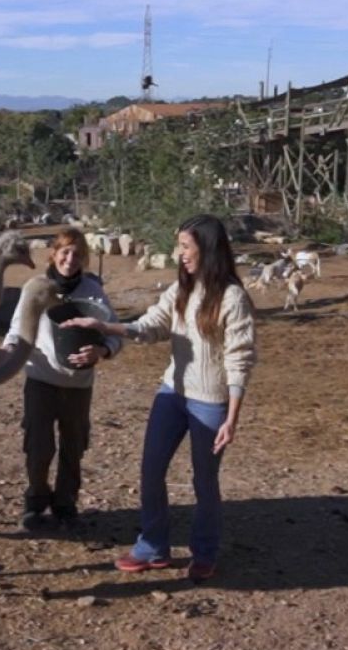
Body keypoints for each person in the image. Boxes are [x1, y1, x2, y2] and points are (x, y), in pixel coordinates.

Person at [63, 214, 257, 581]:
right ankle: (152, 546)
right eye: (179, 245)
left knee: (204, 481)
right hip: (172, 394)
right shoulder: (180, 290)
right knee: (151, 470)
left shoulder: (232, 298)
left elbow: (240, 358)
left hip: (210, 402)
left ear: (207, 248)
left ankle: (205, 552)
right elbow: (150, 325)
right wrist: (103, 326)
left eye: (185, 246)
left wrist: (231, 418)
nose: (178, 254)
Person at [0, 227, 121, 531]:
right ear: (53, 254)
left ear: (85, 259)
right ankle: (35, 504)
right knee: (38, 445)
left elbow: (115, 332)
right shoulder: (36, 288)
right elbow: (16, 328)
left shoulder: (93, 291)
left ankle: (65, 505)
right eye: (65, 252)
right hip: (41, 378)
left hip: (78, 385)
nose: (71, 258)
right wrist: (8, 350)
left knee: (74, 446)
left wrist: (103, 350)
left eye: (78, 253)